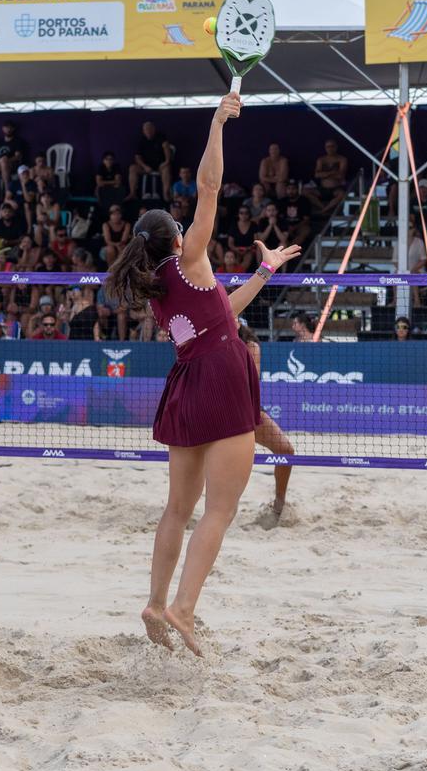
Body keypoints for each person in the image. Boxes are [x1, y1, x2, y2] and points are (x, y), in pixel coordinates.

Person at [104, 92, 300, 656]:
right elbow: (210, 186)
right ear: (177, 238)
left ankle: (156, 600)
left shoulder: (158, 289)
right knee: (221, 508)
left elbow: (222, 313)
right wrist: (217, 122)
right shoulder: (190, 259)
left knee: (176, 509)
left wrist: (265, 270)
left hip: (187, 382)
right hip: (222, 376)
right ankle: (184, 608)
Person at [237, 322, 295, 517]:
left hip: (245, 408)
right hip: (213, 409)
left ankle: (279, 504)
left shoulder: (250, 346)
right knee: (198, 458)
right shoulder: (206, 340)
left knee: (285, 450)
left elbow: (247, 386)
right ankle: (182, 508)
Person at [128, 120, 174, 201]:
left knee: (166, 168)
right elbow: (137, 157)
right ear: (143, 131)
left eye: (149, 129)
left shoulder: (161, 137)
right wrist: (145, 166)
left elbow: (166, 148)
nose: (148, 131)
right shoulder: (142, 141)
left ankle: (166, 194)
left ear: (154, 129)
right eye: (146, 129)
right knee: (132, 168)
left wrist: (166, 161)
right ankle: (132, 193)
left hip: (160, 166)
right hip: (146, 167)